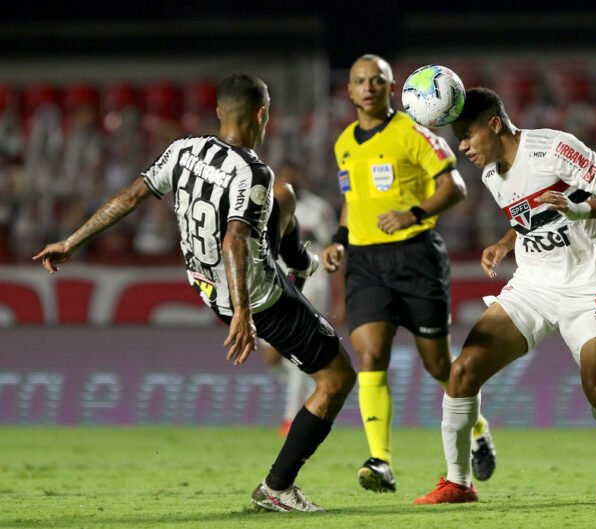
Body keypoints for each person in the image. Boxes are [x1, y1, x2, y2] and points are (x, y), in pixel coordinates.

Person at [33, 73, 356, 513]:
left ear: (220, 113)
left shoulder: (183, 149)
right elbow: (235, 240)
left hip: (207, 285)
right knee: (338, 378)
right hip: (257, 297)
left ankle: (297, 259)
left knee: (285, 197)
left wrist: (72, 241)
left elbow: (131, 197)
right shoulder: (252, 171)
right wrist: (244, 313)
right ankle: (277, 488)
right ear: (263, 115)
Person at [413, 87, 596, 505]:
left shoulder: (554, 148)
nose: (462, 148)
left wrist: (581, 210)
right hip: (534, 285)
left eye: (467, 136)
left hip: (592, 284)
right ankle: (458, 483)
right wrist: (504, 242)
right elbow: (531, 214)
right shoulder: (491, 174)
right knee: (463, 372)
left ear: (494, 124)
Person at [320, 54, 496, 493]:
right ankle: (380, 461)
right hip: (364, 263)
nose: (367, 88)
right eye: (359, 81)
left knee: (438, 364)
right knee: (371, 356)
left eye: (376, 81)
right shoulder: (343, 142)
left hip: (416, 258)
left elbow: (455, 186)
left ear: (391, 86)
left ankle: (478, 431)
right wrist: (339, 239)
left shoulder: (413, 134)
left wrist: (413, 213)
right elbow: (352, 199)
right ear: (349, 90)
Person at [262, 161, 337, 437]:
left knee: (297, 351)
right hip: (273, 284)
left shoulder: (318, 210)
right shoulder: (263, 206)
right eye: (284, 176)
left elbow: (333, 250)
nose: (289, 181)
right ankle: (316, 386)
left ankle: (291, 417)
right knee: (272, 356)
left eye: (293, 176)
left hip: (312, 283)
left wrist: (339, 297)